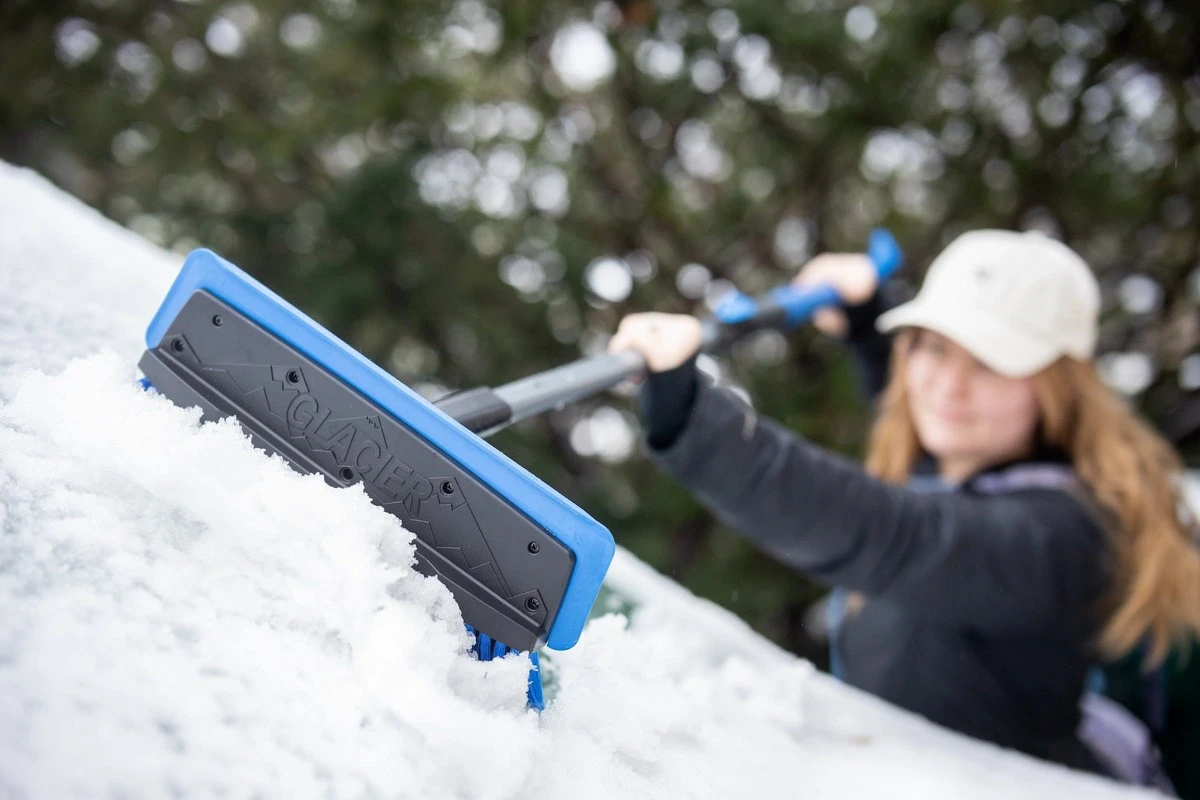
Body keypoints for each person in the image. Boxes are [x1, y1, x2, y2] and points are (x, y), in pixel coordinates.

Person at [608, 229, 1200, 779]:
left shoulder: (1062, 536)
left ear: (1058, 385)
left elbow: (900, 535)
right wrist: (867, 320)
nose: (948, 384)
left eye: (991, 361)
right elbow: (921, 422)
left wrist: (693, 415)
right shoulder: (966, 459)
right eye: (932, 346)